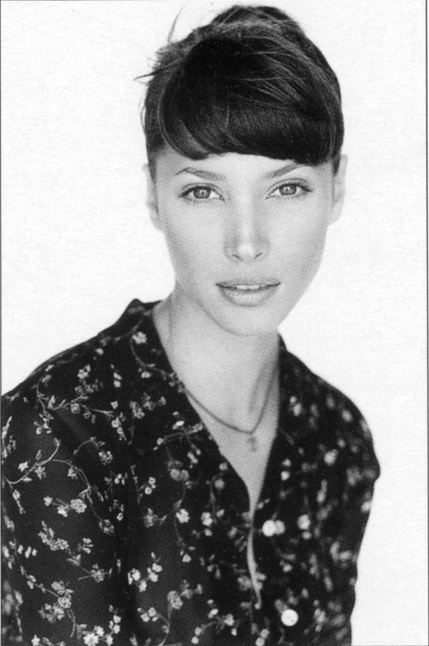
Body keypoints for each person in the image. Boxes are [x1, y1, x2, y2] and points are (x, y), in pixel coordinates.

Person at [1, 4, 380, 645]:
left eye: (286, 188)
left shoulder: (337, 440)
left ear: (336, 187)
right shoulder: (60, 430)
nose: (247, 243)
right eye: (203, 191)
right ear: (155, 194)